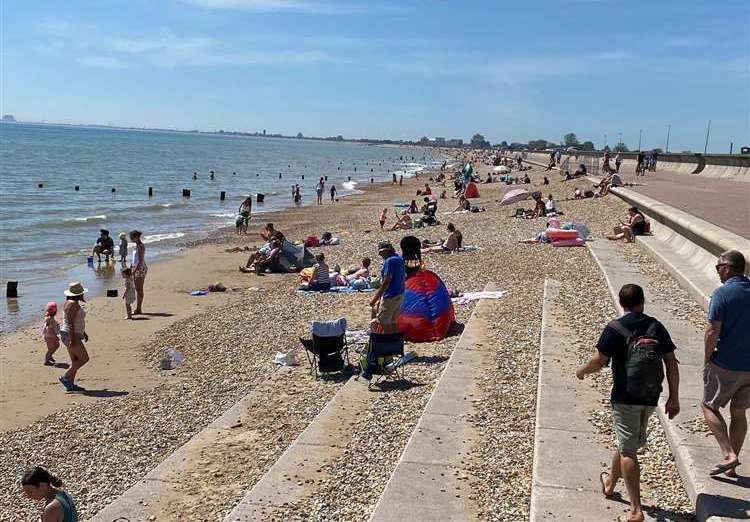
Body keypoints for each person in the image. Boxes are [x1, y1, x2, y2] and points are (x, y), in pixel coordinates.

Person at [576, 284, 680, 522]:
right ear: (643, 301)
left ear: (622, 304)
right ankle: (610, 483)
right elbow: (671, 363)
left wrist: (581, 372)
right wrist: (674, 397)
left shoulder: (615, 328)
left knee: (628, 450)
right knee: (626, 442)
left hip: (625, 397)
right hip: (650, 396)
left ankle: (635, 511)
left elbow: (598, 361)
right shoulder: (656, 326)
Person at [702, 250, 750, 477]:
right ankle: (731, 469)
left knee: (709, 406)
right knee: (739, 411)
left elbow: (713, 330)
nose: (717, 271)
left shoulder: (722, 294)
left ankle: (729, 454)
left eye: (718, 267)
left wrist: (707, 357)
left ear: (728, 268)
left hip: (726, 363)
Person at [368, 241, 405, 337]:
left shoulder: (389, 261)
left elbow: (386, 282)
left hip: (391, 296)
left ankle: (388, 343)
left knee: (383, 322)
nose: (380, 255)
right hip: (400, 294)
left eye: (381, 252)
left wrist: (375, 299)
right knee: (393, 321)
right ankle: (397, 342)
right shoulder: (399, 259)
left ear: (386, 251)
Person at [59, 282, 90, 392]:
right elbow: (71, 323)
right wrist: (72, 339)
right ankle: (65, 377)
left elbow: (75, 321)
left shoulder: (70, 302)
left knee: (75, 360)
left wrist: (83, 332)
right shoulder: (73, 304)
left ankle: (70, 384)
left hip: (70, 334)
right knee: (84, 358)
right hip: (70, 335)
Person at [130, 230, 146, 314]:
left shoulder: (140, 246)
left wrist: (134, 270)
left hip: (140, 268)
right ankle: (138, 308)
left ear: (136, 237)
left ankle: (139, 308)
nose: (131, 239)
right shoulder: (136, 246)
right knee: (137, 288)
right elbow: (135, 259)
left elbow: (141, 260)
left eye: (132, 237)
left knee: (139, 289)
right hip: (136, 267)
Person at [42, 301, 60, 366]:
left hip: (46, 335)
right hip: (51, 336)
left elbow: (46, 328)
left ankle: (49, 356)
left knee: (51, 347)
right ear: (55, 312)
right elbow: (51, 329)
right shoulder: (52, 320)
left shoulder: (47, 318)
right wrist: (55, 336)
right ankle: (46, 360)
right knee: (56, 346)